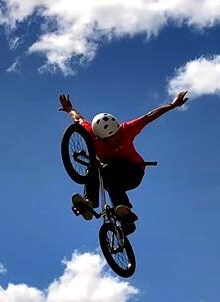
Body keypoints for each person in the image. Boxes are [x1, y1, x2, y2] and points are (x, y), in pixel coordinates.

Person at [58, 91, 189, 234]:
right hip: (112, 176)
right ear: (99, 137)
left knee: (108, 168)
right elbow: (78, 119)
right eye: (110, 138)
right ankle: (89, 203)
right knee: (95, 166)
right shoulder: (91, 132)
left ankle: (123, 208)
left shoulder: (126, 130)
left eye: (116, 134)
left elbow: (148, 117)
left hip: (133, 173)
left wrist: (172, 105)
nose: (115, 138)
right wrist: (69, 109)